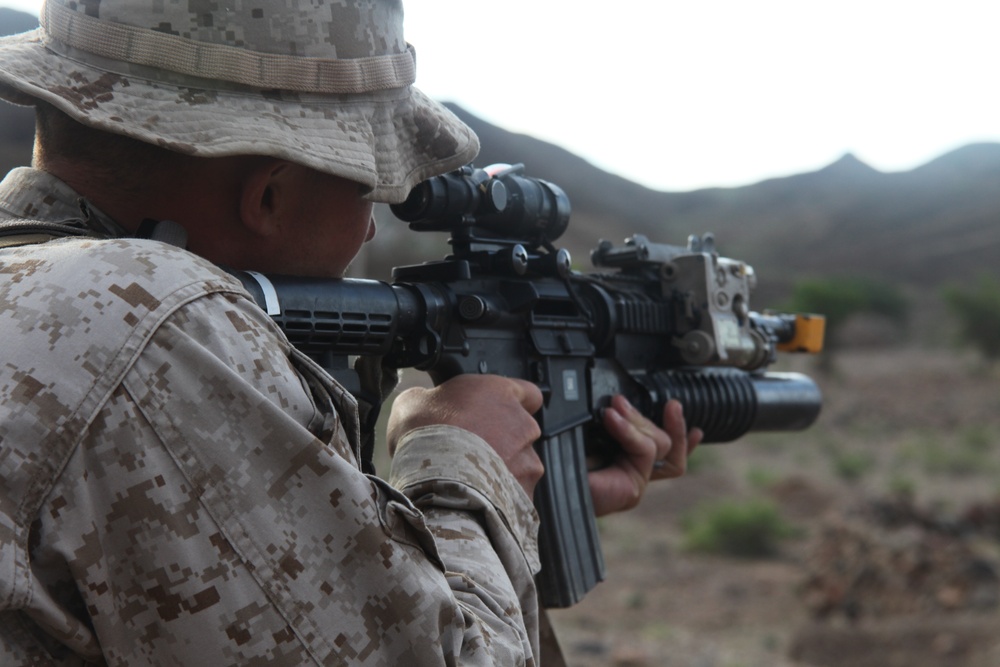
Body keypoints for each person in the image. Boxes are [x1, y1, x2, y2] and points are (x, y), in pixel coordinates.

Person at [0, 1, 701, 664]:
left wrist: (523, 516)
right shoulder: (159, 327)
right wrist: (463, 465)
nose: (370, 225)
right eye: (369, 187)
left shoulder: (48, 294)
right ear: (268, 195)